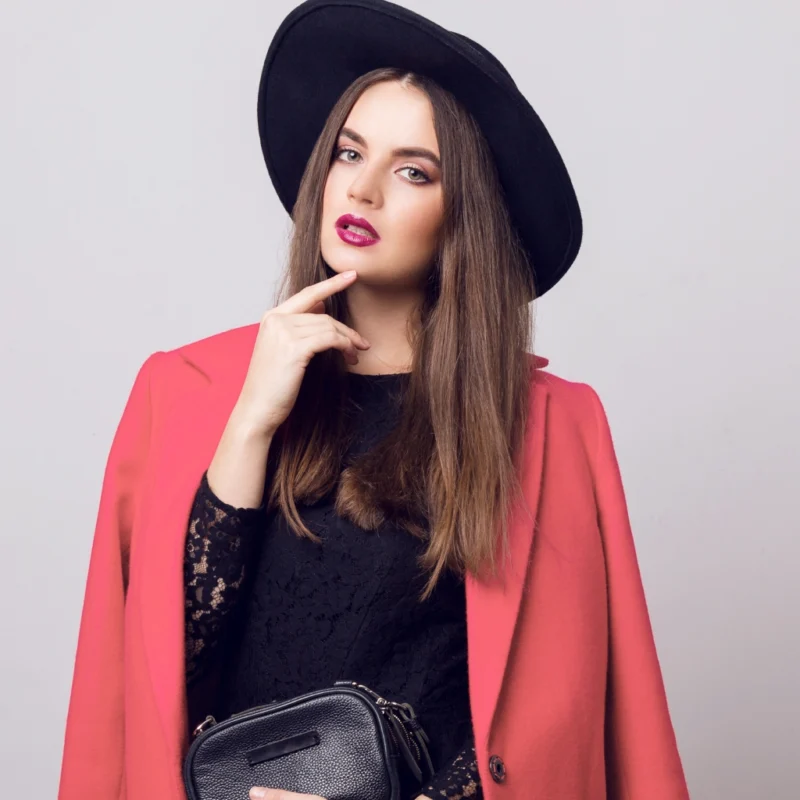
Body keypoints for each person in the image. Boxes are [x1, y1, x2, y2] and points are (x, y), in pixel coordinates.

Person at [58, 1, 691, 799]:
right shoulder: (179, 391)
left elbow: (555, 716)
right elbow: (146, 686)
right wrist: (249, 424)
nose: (361, 189)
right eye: (348, 153)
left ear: (462, 215)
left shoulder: (557, 427)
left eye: (412, 171)